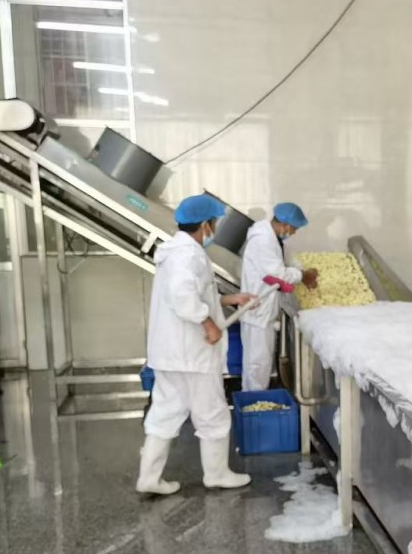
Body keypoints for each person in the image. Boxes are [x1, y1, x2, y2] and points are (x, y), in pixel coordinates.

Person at [136, 193, 256, 496]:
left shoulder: (174, 252)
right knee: (212, 413)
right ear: (205, 225)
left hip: (171, 354)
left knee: (165, 412)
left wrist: (230, 299)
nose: (214, 229)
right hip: (192, 353)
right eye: (213, 223)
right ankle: (217, 474)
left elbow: (194, 294)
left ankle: (149, 477)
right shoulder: (188, 255)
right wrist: (208, 323)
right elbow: (183, 296)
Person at [240, 202, 318, 391]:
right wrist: (303, 275)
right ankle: (254, 402)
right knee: (257, 365)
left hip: (263, 312)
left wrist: (299, 270)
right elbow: (277, 273)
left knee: (261, 364)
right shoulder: (262, 241)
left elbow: (278, 267)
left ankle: (257, 399)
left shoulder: (271, 238)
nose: (294, 233)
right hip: (258, 314)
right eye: (294, 229)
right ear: (285, 225)